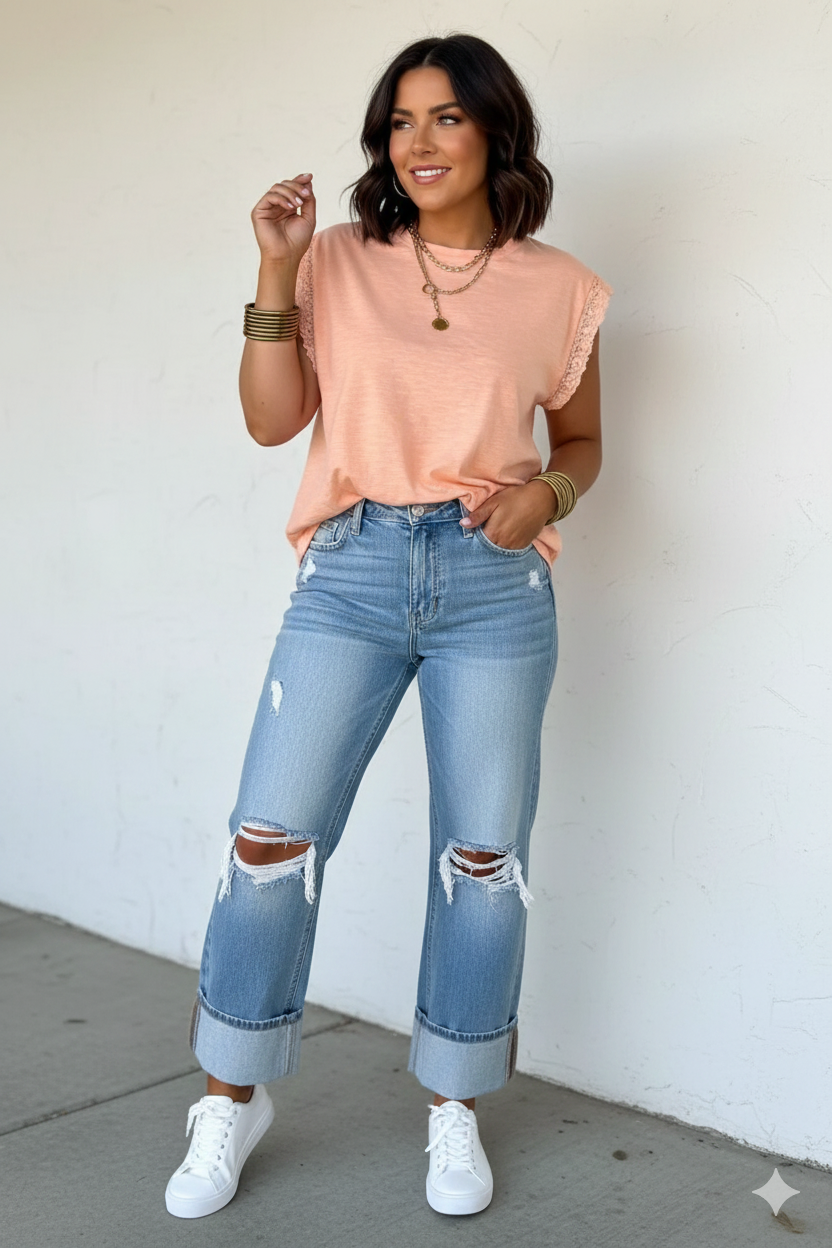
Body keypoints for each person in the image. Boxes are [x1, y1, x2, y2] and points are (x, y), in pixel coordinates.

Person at [164, 32, 611, 1220]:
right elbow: (273, 424)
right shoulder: (336, 260)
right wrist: (273, 269)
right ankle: (231, 1096)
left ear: (494, 131)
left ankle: (454, 1105)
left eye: (445, 117)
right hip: (351, 572)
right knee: (269, 840)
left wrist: (546, 497)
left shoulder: (560, 287)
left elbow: (580, 442)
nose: (418, 142)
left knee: (483, 861)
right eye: (400, 121)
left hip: (493, 587)